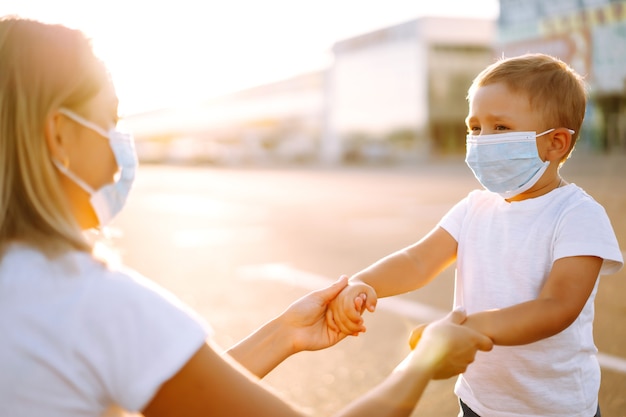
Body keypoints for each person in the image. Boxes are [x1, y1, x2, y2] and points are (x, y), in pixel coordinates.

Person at [0, 16, 494, 417]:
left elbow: (178, 398)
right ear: (59, 135)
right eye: (110, 121)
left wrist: (285, 334)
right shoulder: (93, 301)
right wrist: (424, 360)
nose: (119, 151)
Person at [327, 53, 624, 417]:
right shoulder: (474, 207)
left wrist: (464, 329)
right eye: (475, 127)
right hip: (478, 401)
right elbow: (418, 260)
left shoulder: (578, 215)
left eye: (500, 128)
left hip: (556, 408)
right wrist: (364, 283)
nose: (482, 140)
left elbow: (558, 307)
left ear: (556, 143)